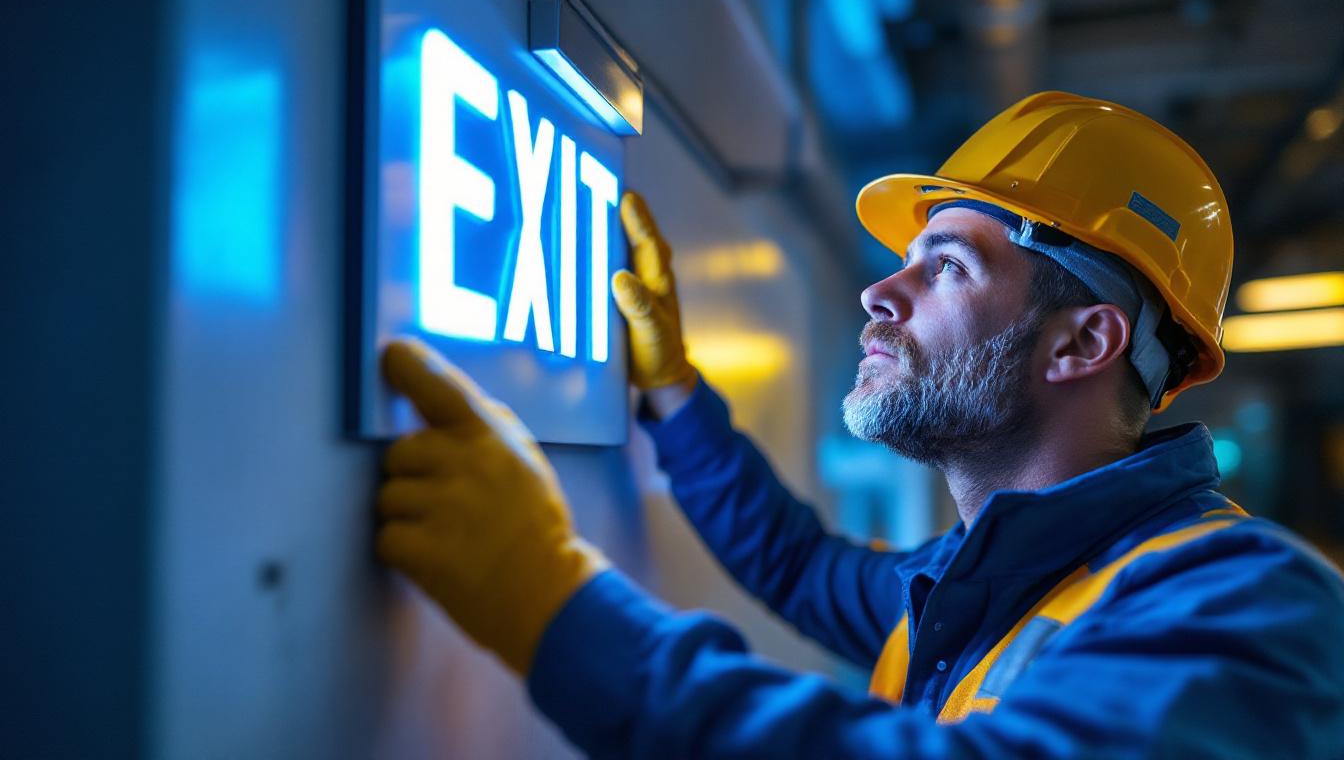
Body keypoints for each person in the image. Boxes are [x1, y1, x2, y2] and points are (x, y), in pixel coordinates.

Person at [373, 92, 1344, 757]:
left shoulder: (1250, 606)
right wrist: (670, 389)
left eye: (949, 266)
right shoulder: (965, 585)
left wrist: (557, 612)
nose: (882, 291)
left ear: (1081, 342)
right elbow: (794, 563)